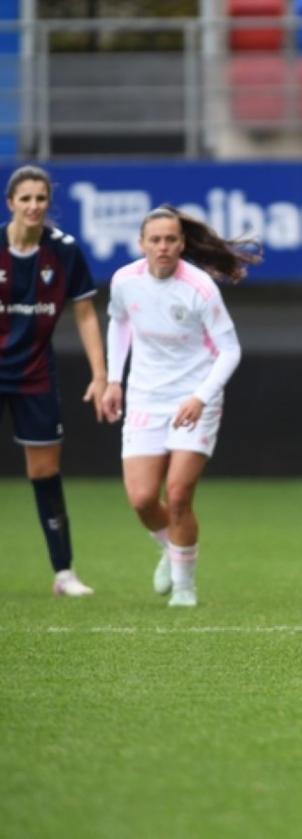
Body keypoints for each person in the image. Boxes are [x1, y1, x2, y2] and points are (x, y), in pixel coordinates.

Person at [99, 206, 255, 607]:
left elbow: (230, 350)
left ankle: (185, 586)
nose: (163, 247)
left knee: (179, 492)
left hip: (195, 396)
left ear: (181, 244)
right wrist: (114, 380)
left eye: (171, 240)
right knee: (142, 499)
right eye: (155, 240)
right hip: (145, 396)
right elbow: (119, 324)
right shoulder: (124, 281)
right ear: (142, 244)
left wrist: (200, 396)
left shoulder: (200, 287)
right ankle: (172, 549)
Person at [0, 165, 106, 596]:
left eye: (40, 198)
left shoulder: (63, 251)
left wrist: (100, 374)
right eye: (24, 198)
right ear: (10, 204)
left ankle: (63, 573)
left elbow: (84, 313)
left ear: (48, 203)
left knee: (45, 470)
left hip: (34, 373)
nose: (33, 206)